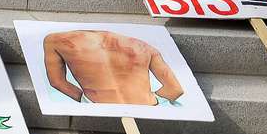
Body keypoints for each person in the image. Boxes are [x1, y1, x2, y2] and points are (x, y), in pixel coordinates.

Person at [42, 30, 185, 106]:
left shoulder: (55, 40)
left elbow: (57, 82)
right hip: (147, 106)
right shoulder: (143, 46)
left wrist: (86, 100)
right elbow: (175, 89)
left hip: (97, 104)